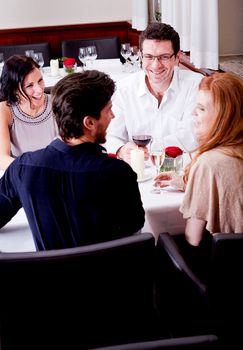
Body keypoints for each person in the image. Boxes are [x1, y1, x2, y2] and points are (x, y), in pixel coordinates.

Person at [0, 70, 145, 251]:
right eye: (108, 110)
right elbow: (133, 234)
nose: (113, 116)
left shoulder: (22, 168)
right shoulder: (118, 173)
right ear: (89, 123)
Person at [155, 72, 243, 247]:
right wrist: (187, 183)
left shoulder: (209, 163)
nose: (193, 113)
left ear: (223, 116)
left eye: (201, 109)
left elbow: (193, 239)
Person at [104, 22, 203, 163]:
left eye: (164, 57)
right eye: (149, 57)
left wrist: (149, 148)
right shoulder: (124, 89)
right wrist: (121, 149)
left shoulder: (196, 85)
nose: (156, 65)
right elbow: (111, 135)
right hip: (137, 172)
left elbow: (192, 136)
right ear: (140, 56)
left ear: (177, 58)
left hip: (181, 170)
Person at [0, 54, 58, 170]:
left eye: (40, 80)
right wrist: (34, 171)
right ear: (14, 89)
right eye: (29, 85)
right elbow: (2, 159)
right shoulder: (4, 110)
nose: (39, 89)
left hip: (58, 171)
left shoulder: (58, 102)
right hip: (24, 175)